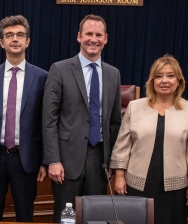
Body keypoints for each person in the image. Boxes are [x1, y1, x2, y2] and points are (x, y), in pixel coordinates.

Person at [42, 14, 122, 222]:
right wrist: (53, 160)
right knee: (66, 218)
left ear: (106, 38)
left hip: (99, 162)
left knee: (94, 218)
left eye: (98, 35)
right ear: (79, 37)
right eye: (88, 34)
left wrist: (111, 161)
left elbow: (114, 122)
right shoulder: (59, 70)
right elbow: (49, 120)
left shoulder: (113, 74)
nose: (93, 39)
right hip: (66, 160)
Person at [110, 55, 188, 224]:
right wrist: (120, 176)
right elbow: (122, 146)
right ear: (152, 81)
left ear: (179, 80)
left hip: (175, 187)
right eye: (159, 76)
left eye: (170, 75)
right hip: (137, 183)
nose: (164, 81)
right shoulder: (135, 107)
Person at [0, 15, 48, 221]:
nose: (15, 39)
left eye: (20, 35)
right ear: (1, 42)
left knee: (25, 217)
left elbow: (45, 123)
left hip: (26, 159)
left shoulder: (42, 77)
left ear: (28, 41)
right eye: (9, 35)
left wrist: (44, 162)